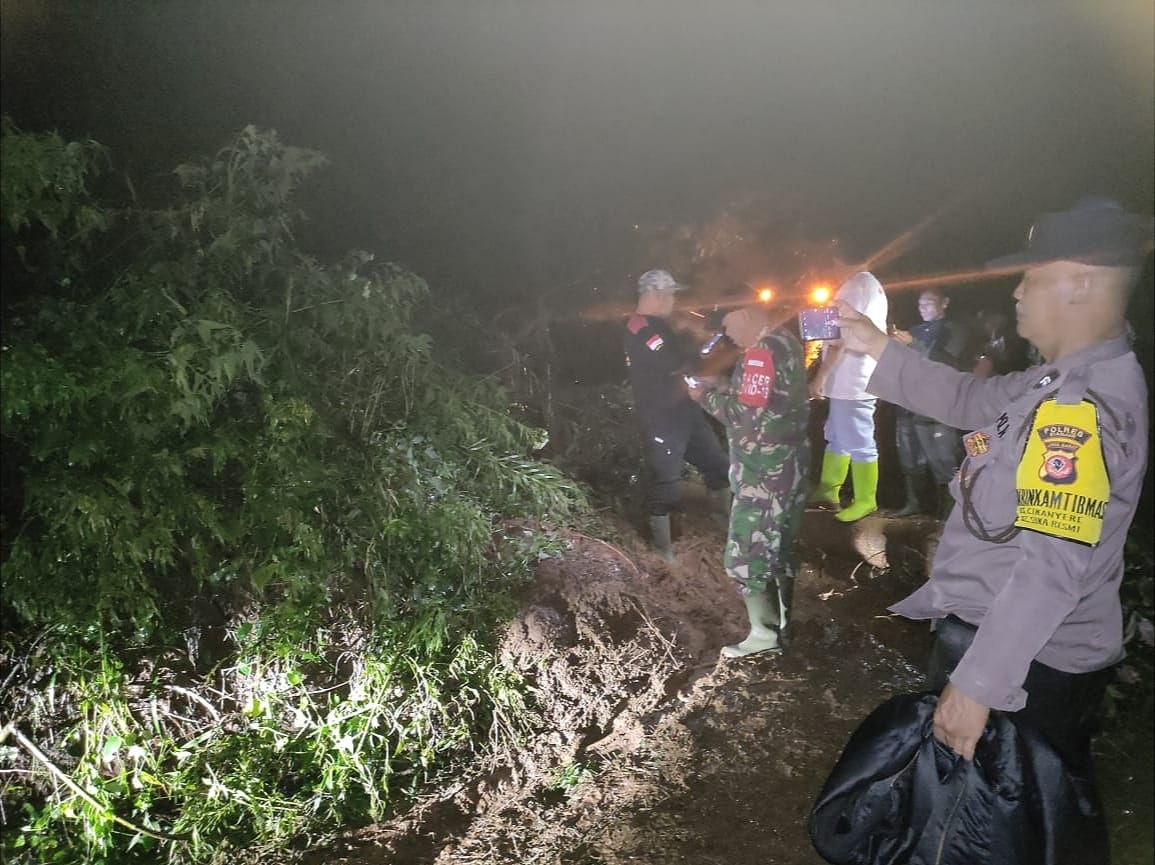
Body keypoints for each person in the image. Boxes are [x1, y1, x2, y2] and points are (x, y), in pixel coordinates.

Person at [834, 197, 1152, 862]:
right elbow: (968, 401)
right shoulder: (1052, 379)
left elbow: (1051, 566)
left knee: (1000, 836)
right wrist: (874, 349)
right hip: (1006, 646)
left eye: (1031, 276)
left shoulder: (1082, 404)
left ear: (1082, 282)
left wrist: (978, 683)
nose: (1015, 289)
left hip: (1027, 663)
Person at [689, 306, 810, 657]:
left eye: (728, 325)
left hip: (763, 472)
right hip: (789, 466)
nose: (728, 334)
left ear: (747, 316)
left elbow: (744, 417)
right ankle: (783, 625)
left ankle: (763, 636)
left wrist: (703, 396)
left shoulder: (759, 353)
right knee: (780, 549)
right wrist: (724, 384)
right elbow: (765, 400)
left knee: (746, 554)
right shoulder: (786, 343)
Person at [623, 269, 730, 563]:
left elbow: (680, 362)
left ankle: (724, 522)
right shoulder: (640, 326)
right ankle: (662, 550)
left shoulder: (660, 325)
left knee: (718, 464)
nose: (674, 300)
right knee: (667, 481)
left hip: (685, 410)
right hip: (662, 416)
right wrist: (700, 365)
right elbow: (671, 362)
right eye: (670, 294)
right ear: (656, 294)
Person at [807, 269, 889, 522]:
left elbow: (839, 341)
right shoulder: (867, 284)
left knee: (858, 439)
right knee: (837, 436)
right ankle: (828, 491)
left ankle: (866, 500)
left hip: (852, 380)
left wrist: (819, 377)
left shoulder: (855, 287)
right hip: (849, 380)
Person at [889, 287, 971, 518]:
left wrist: (913, 345)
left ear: (944, 303)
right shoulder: (914, 331)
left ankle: (949, 512)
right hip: (908, 405)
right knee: (910, 458)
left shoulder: (955, 330)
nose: (922, 308)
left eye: (929, 303)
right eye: (919, 304)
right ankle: (914, 504)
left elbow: (949, 362)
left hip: (936, 408)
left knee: (943, 460)